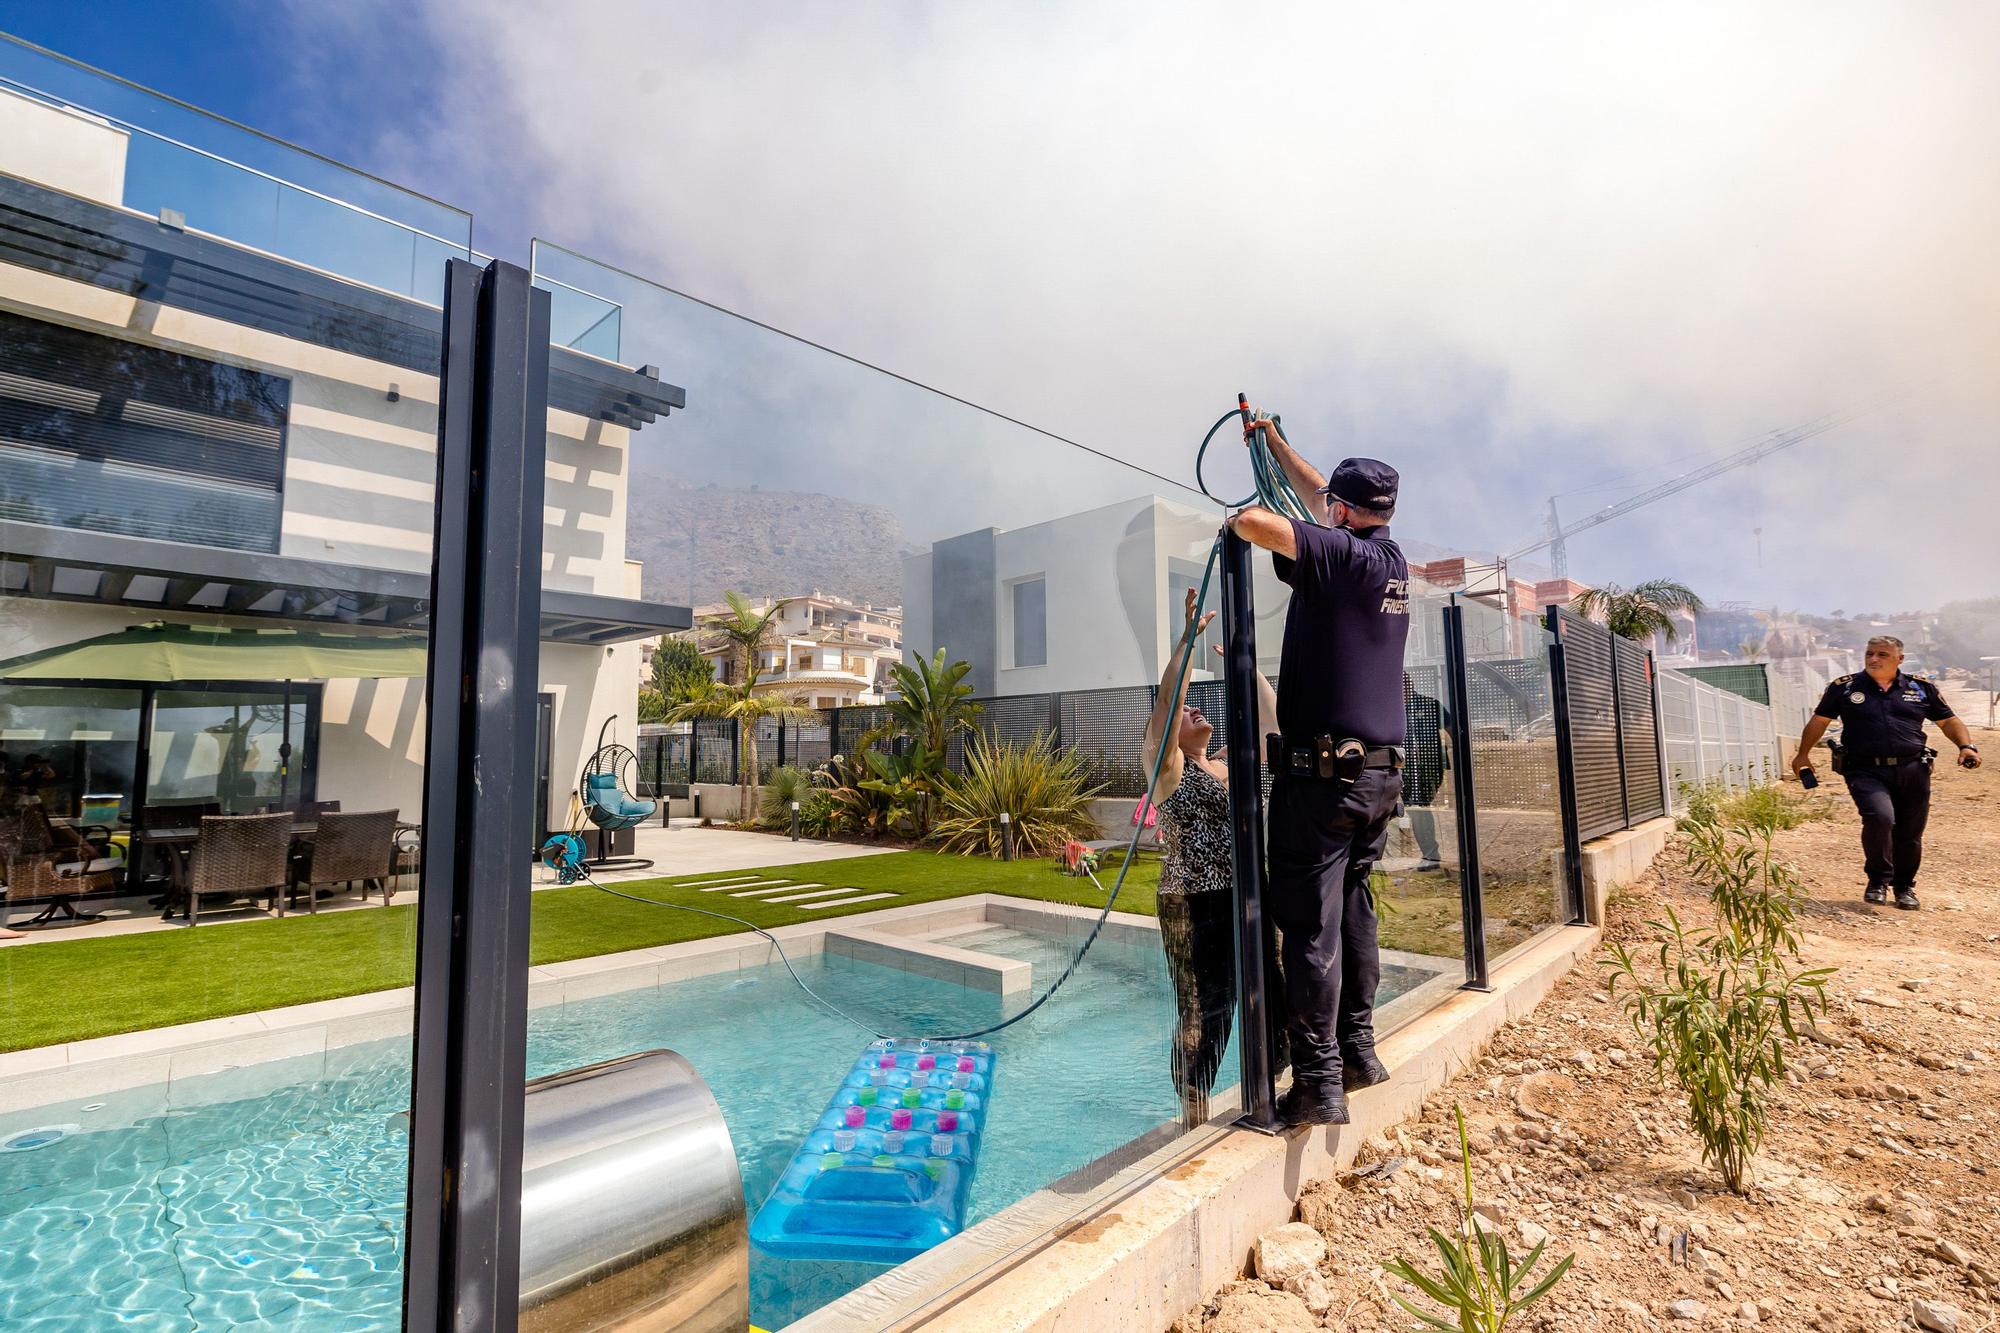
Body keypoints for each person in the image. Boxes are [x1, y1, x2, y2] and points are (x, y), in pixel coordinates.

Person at [1225, 418, 1410, 1127]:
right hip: (1378, 778)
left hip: (1325, 780)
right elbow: (1316, 493)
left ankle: (1317, 1083)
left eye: (1330, 502)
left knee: (1308, 925)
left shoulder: (1345, 559)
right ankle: (1358, 1049)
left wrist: (1246, 514)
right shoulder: (1388, 559)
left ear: (1342, 513)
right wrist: (1274, 442)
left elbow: (1255, 522)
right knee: (1354, 906)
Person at [1138, 587, 1282, 1129]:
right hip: (1193, 901)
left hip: (1250, 892)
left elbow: (1275, 729)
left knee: (1270, 987)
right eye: (1187, 710)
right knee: (1205, 1004)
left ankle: (1268, 1090)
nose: (1196, 707)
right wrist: (1187, 642)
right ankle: (1193, 1111)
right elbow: (1166, 709)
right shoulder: (1171, 772)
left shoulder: (1232, 764)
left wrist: (1249, 671)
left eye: (1201, 705)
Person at [1791, 635, 1979, 910]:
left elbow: (1948, 720)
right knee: (1879, 818)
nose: (1873, 659)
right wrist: (1803, 753)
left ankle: (1904, 887)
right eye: (1869, 654)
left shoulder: (1920, 687)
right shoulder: (1845, 687)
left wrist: (1966, 746)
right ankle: (1878, 880)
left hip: (1912, 768)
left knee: (1910, 833)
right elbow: (1820, 720)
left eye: (1882, 654)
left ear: (1899, 659)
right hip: (1864, 768)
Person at [1402, 677, 1452, 873]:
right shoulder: (1391, 709)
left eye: (1403, 683)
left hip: (1426, 767)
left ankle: (1430, 856)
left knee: (1419, 807)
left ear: (1410, 684)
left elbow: (1451, 729)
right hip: (1401, 768)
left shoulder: (1430, 705)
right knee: (1413, 809)